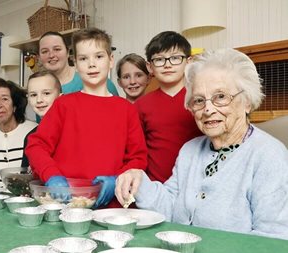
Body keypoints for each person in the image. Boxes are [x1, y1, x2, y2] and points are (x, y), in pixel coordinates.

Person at [115, 48, 288, 240]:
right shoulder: (190, 150)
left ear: (247, 101)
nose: (207, 109)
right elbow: (169, 205)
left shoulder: (269, 156)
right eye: (198, 100)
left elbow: (273, 238)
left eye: (220, 97)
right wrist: (137, 179)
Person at [26, 28, 147, 209]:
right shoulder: (63, 105)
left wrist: (117, 180)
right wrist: (51, 175)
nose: (91, 64)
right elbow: (36, 145)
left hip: (110, 208)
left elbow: (138, 158)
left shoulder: (127, 110)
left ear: (111, 60)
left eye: (99, 57)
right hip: (66, 204)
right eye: (83, 58)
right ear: (75, 63)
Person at [134, 31, 203, 183]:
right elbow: (137, 152)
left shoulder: (202, 99)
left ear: (189, 62)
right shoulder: (141, 105)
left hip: (198, 184)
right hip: (157, 187)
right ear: (149, 67)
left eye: (175, 58)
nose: (167, 64)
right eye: (159, 59)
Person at [38, 31, 119, 96]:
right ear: (39, 57)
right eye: (44, 51)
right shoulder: (39, 89)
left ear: (68, 52)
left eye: (57, 49)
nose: (51, 55)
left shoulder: (97, 80)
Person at [21, 70, 62, 168]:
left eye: (46, 93)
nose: (39, 100)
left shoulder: (71, 130)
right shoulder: (31, 137)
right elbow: (26, 175)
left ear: (60, 97)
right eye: (33, 95)